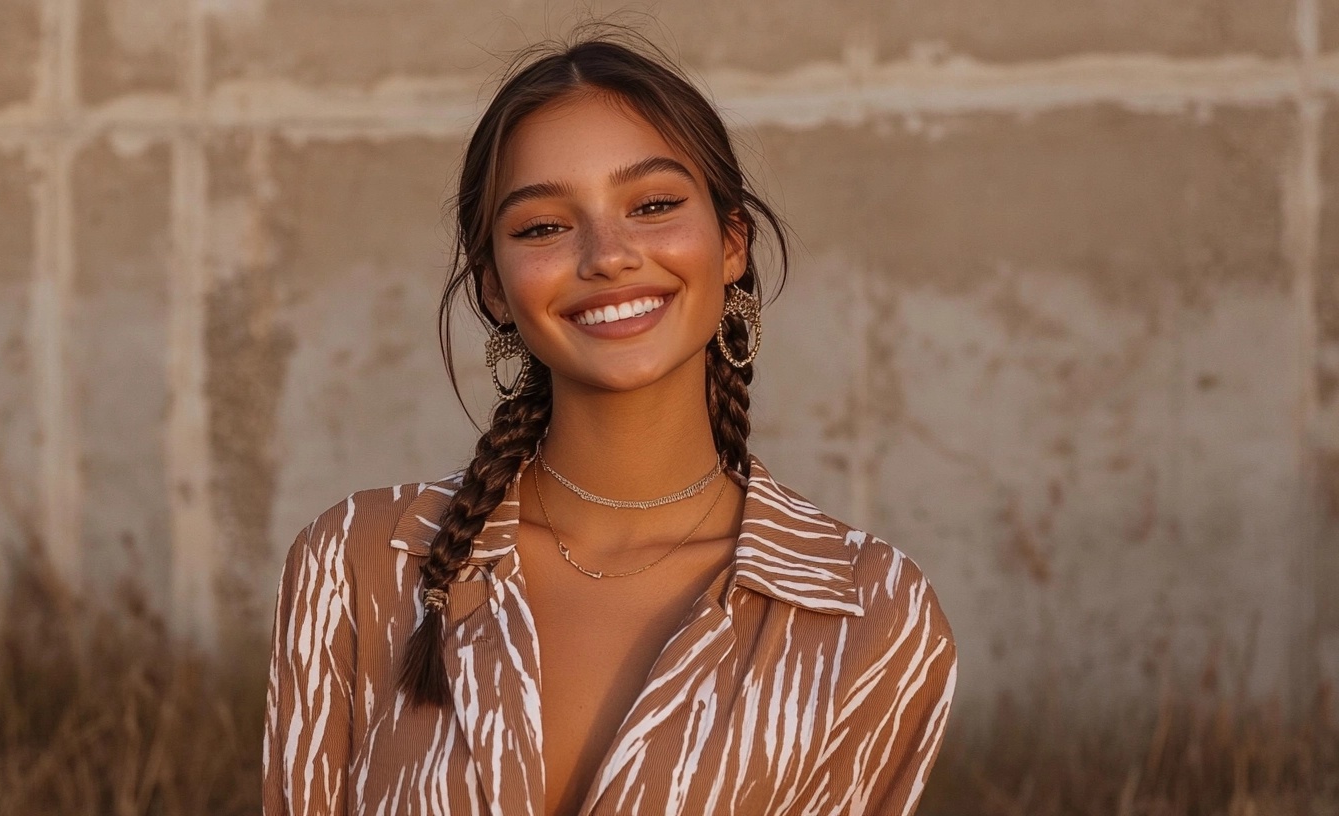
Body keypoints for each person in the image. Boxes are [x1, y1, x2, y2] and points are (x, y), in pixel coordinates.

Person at [262, 30, 956, 816]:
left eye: (654, 206)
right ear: (494, 288)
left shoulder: (865, 611)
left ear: (732, 243)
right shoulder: (360, 561)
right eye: (543, 227)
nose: (608, 255)